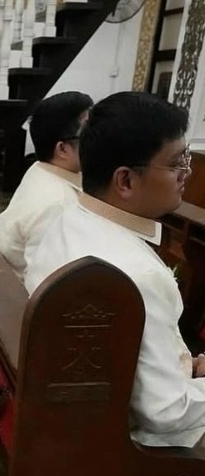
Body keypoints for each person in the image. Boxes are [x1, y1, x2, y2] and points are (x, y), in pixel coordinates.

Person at [25, 91, 205, 448]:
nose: (187, 173)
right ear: (124, 181)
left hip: (75, 409)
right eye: (175, 164)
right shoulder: (137, 273)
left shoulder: (65, 221)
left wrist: (186, 368)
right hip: (137, 450)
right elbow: (166, 411)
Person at [0, 91, 93, 281]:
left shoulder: (41, 168)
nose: (99, 139)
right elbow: (44, 283)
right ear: (63, 149)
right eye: (89, 133)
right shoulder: (58, 205)